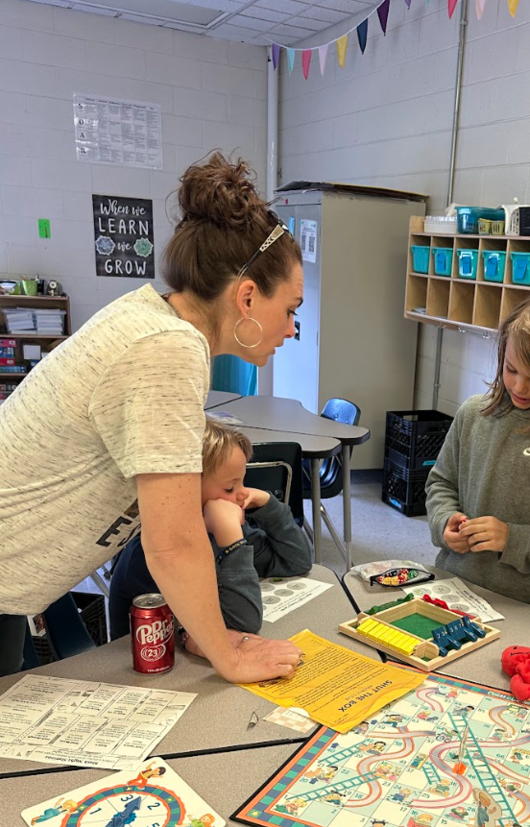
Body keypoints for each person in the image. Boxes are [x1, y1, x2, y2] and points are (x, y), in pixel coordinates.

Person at [0, 153, 304, 682]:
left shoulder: (153, 317)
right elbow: (173, 541)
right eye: (292, 308)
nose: (293, 328)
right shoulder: (169, 345)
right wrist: (229, 655)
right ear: (249, 297)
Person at [424, 289, 530, 607]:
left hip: (526, 607)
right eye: (511, 369)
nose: (519, 386)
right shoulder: (473, 413)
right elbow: (440, 483)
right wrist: (443, 520)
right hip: (452, 588)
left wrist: (513, 540)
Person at [109, 417, 312, 638]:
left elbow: (296, 562)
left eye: (243, 481)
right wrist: (232, 543)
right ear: (183, 490)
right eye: (229, 487)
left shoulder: (216, 527)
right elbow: (241, 625)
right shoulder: (150, 556)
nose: (242, 494)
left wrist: (268, 505)